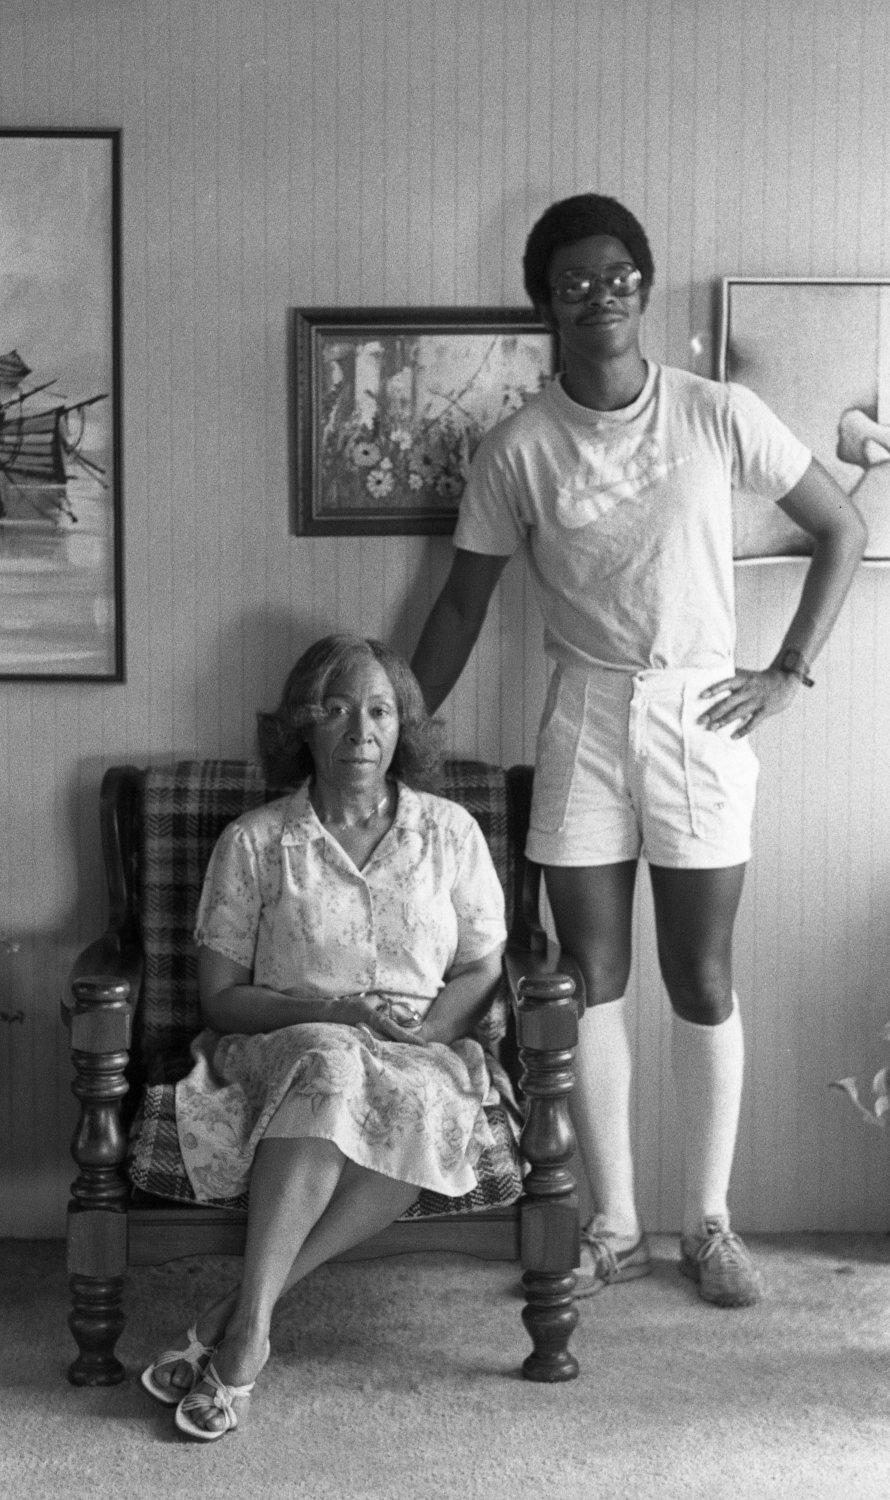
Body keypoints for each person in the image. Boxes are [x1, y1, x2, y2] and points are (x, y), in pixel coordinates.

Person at [411, 193, 867, 1309]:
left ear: (642, 286)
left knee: (700, 977)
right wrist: (399, 728)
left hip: (702, 713)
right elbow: (460, 606)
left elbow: (840, 527)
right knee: (587, 977)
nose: (599, 294)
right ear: (542, 301)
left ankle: (706, 1223)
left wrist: (786, 671)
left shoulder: (713, 412)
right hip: (583, 719)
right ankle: (610, 1224)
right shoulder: (517, 447)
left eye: (618, 275)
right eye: (573, 279)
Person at [140, 634, 507, 1439]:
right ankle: (246, 1331)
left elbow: (483, 967)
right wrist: (337, 1014)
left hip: (417, 1047)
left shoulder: (450, 834)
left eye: (379, 711)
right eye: (335, 710)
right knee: (335, 1062)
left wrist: (428, 1035)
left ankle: (243, 1321)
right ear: (301, 728)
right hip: (287, 1044)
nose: (360, 732)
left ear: (403, 726)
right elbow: (221, 999)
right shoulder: (256, 841)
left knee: (413, 1098)